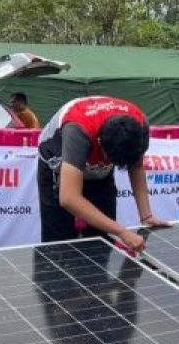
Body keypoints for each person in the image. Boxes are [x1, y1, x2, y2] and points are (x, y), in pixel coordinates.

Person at [37, 95, 166, 251]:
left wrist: (146, 216)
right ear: (100, 143)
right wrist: (122, 231)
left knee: (102, 240)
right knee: (58, 246)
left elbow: (137, 167)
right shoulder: (77, 130)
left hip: (98, 173)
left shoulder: (139, 126)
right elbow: (69, 198)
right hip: (58, 165)